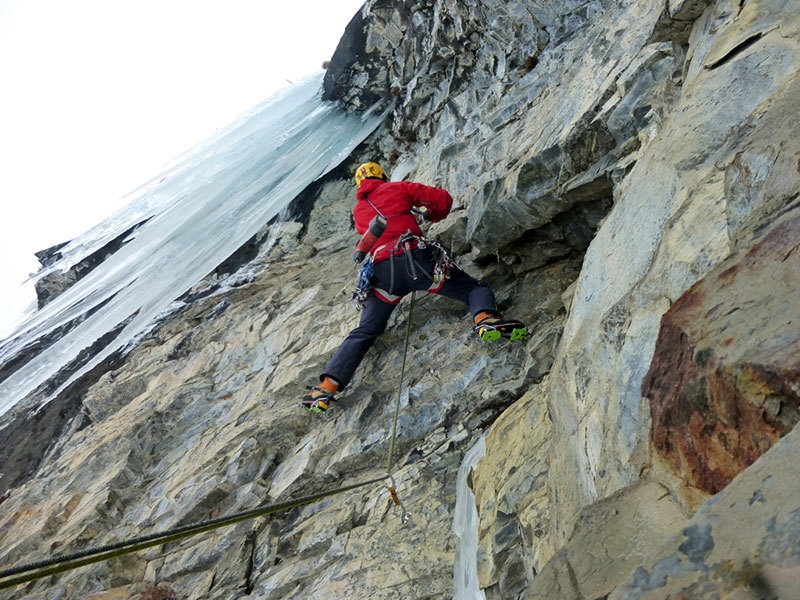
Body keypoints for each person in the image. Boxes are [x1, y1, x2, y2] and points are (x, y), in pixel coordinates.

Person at [302, 161, 527, 412]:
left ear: (359, 184)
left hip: (382, 275)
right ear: (383, 175)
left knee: (365, 331)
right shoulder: (399, 187)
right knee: (474, 289)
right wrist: (431, 215)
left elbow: (368, 233)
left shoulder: (359, 210)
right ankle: (485, 318)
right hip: (416, 264)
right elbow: (442, 199)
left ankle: (326, 388)